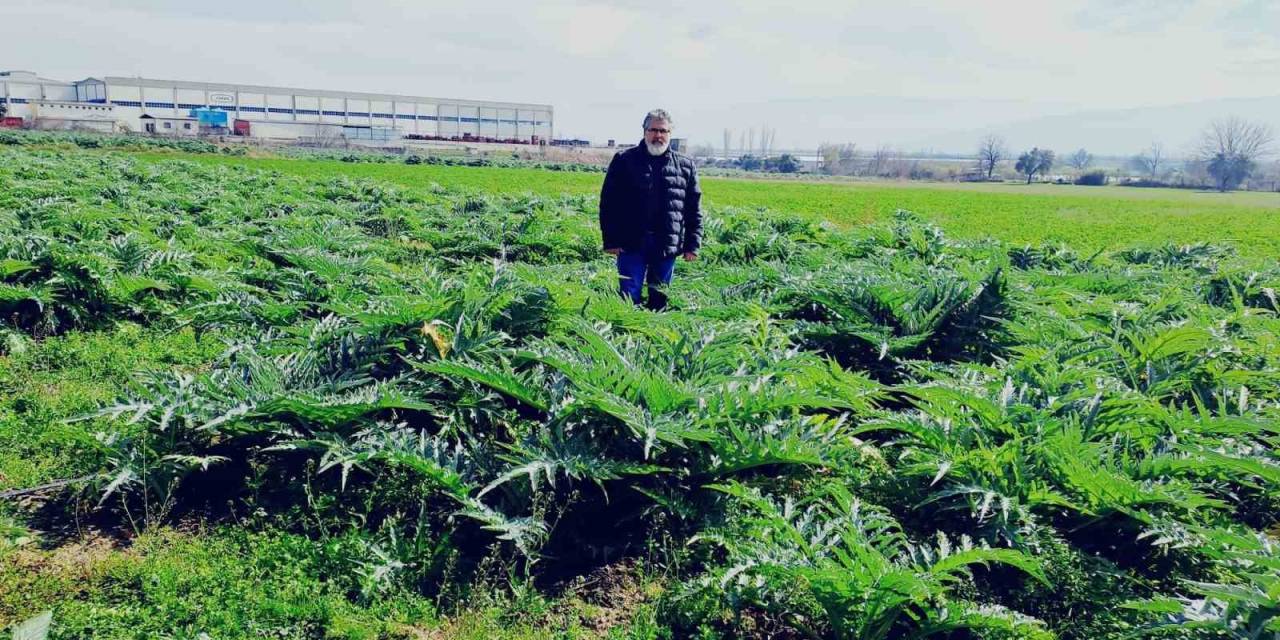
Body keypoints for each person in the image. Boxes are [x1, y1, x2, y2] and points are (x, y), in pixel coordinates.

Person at [598, 108, 703, 311]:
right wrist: (610, 241)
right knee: (629, 297)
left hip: (666, 243)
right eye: (653, 130)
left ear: (670, 134)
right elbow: (608, 204)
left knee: (660, 298)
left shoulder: (686, 166)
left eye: (663, 131)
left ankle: (654, 338)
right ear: (645, 131)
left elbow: (693, 208)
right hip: (631, 243)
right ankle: (627, 338)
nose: (658, 135)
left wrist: (693, 244)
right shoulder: (624, 160)